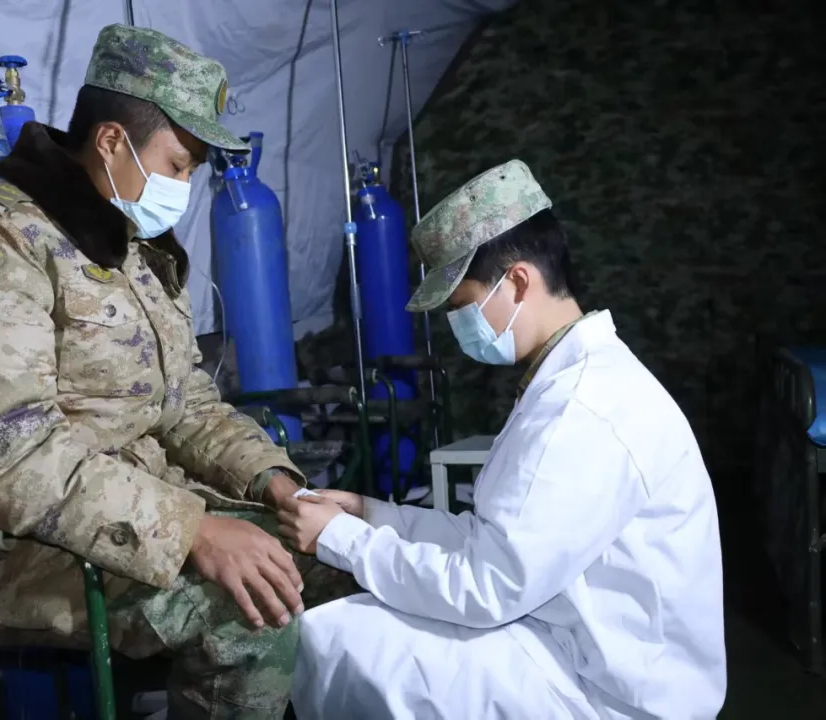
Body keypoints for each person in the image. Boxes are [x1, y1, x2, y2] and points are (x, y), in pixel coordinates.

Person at [0, 24, 353, 719]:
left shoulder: (132, 250)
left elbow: (188, 406)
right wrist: (193, 531)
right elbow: (8, 453)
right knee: (250, 611)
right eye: (177, 164)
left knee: (338, 567)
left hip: (131, 515)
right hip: (2, 546)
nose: (183, 187)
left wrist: (277, 484)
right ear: (111, 141)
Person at [279, 160, 727, 719]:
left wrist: (342, 539)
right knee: (356, 629)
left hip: (608, 692)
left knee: (344, 642)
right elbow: (492, 538)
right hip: (566, 636)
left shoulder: (583, 410)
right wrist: (374, 516)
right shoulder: (565, 379)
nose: (458, 326)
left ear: (517, 281)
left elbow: (485, 586)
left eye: (462, 307)